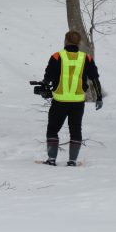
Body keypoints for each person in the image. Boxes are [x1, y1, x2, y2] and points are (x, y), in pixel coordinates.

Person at [42, 30, 103, 166]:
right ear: (79, 42)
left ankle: (52, 159)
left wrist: (44, 87)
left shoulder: (57, 56)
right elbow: (95, 79)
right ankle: (72, 161)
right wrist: (99, 97)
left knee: (53, 129)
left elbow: (47, 78)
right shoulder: (86, 58)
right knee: (75, 130)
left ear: (66, 41)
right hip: (78, 102)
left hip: (59, 101)